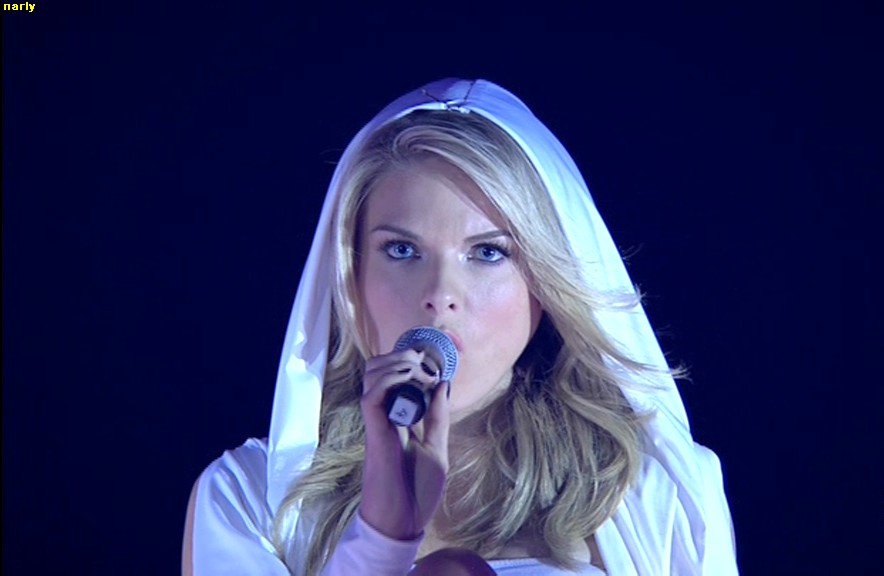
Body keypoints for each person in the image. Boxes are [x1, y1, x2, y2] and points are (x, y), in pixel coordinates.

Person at [183, 78, 739, 575]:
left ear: (546, 281)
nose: (440, 295)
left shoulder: (660, 492)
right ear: (351, 274)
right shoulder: (249, 498)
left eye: (488, 252)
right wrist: (379, 542)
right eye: (402, 250)